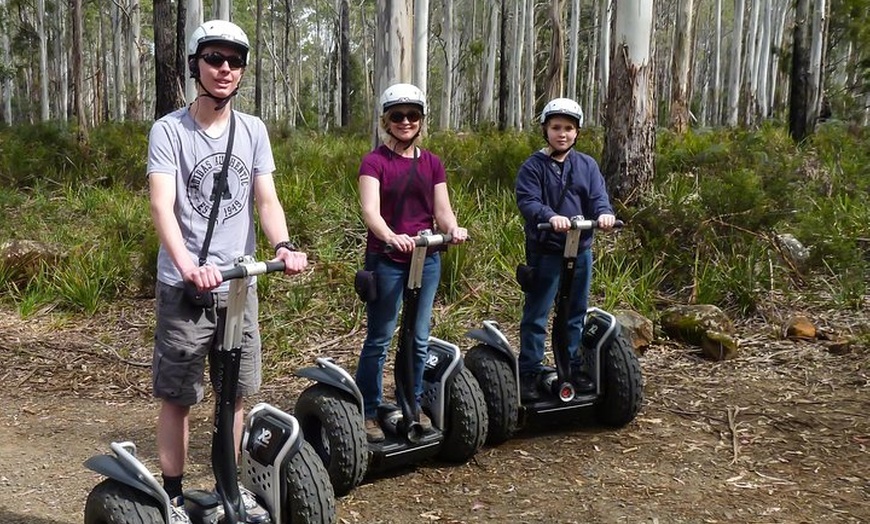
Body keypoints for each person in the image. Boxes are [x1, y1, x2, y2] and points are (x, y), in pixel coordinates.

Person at [147, 19, 307, 524]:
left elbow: (266, 198)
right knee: (179, 397)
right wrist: (187, 265)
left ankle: (228, 486)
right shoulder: (170, 130)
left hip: (239, 285)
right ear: (196, 64)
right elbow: (162, 206)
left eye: (234, 61)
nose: (224, 69)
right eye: (214, 58)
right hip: (186, 287)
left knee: (235, 393)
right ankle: (172, 495)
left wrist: (283, 244)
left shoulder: (253, 129)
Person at [355, 83, 468, 442]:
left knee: (418, 338)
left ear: (421, 120)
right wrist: (390, 235)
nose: (406, 122)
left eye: (412, 115)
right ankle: (369, 410)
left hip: (426, 257)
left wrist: (452, 229)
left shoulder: (432, 162)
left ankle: (411, 404)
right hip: (387, 258)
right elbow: (370, 211)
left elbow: (442, 210)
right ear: (386, 121)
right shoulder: (374, 162)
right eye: (398, 116)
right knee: (380, 337)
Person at [515, 97, 616, 401]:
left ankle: (569, 366)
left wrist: (604, 214)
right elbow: (528, 201)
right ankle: (530, 372)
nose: (562, 133)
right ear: (545, 130)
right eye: (556, 127)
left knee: (575, 310)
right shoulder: (534, 167)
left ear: (577, 132)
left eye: (568, 128)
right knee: (538, 312)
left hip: (580, 249)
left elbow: (598, 196)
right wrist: (550, 217)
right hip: (547, 249)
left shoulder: (586, 165)